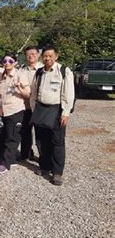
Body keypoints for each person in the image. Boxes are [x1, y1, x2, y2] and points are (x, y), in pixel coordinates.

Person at [30, 45, 74, 186]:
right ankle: (44, 166)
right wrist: (33, 109)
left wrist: (66, 113)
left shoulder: (64, 71)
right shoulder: (39, 72)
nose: (47, 58)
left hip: (56, 111)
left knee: (57, 142)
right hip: (40, 109)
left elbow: (69, 94)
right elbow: (33, 92)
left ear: (56, 56)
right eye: (45, 56)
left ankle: (57, 172)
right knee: (41, 141)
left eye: (50, 56)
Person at [0, 53, 30, 174]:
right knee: (4, 135)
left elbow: (27, 94)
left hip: (16, 110)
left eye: (10, 61)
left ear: (15, 62)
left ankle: (5, 163)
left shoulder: (20, 75)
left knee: (12, 137)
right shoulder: (1, 77)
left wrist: (19, 88)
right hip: (3, 111)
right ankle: (10, 158)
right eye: (4, 61)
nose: (7, 63)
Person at [18, 45, 42, 162]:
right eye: (28, 54)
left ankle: (44, 158)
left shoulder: (43, 68)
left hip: (39, 107)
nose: (30, 56)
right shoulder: (22, 69)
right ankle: (26, 154)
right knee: (25, 131)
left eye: (33, 53)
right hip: (26, 106)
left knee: (40, 134)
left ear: (38, 55)